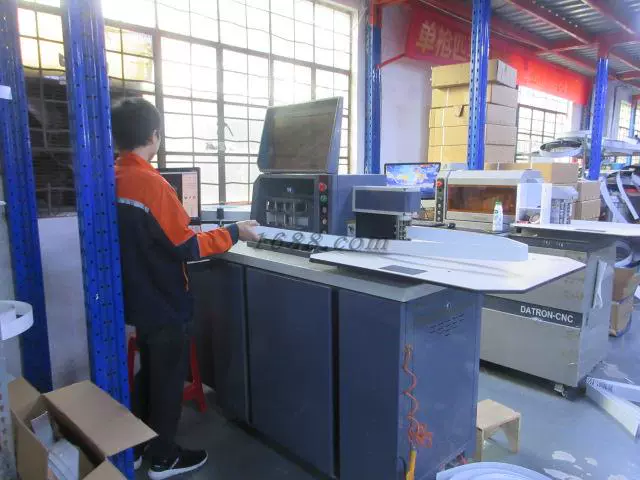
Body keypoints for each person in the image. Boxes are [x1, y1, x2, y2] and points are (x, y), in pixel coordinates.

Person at [111, 97, 259, 479]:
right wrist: (234, 232)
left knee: (150, 371)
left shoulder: (112, 176)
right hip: (163, 300)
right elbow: (187, 246)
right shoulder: (152, 184)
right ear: (154, 136)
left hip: (135, 298)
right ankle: (164, 458)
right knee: (166, 380)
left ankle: (138, 445)